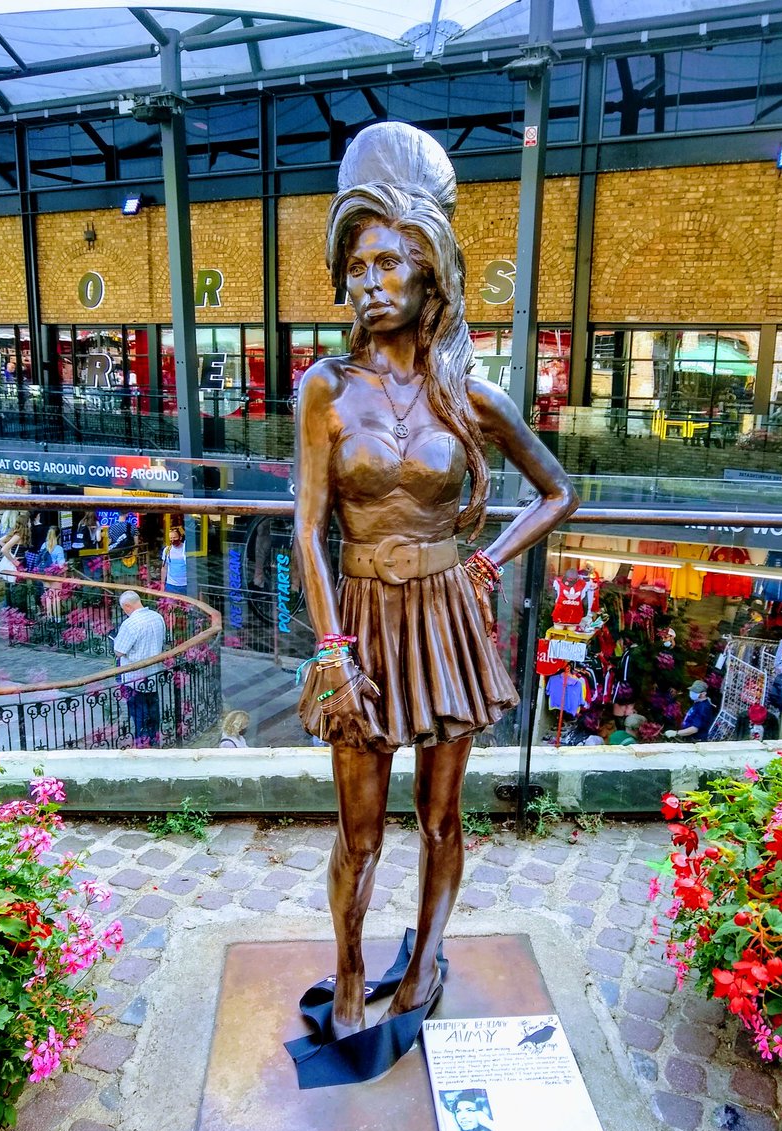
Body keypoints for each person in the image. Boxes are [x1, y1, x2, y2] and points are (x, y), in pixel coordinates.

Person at [294, 121, 577, 1046]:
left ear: (428, 272)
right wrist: (331, 648)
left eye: (383, 264)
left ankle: (424, 960)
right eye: (355, 267)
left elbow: (559, 491)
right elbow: (306, 525)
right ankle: (344, 968)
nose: (363, 285)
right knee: (361, 830)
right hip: (365, 623)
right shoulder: (325, 389)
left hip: (448, 618)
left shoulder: (470, 394)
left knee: (443, 816)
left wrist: (490, 562)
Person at [113, 590, 166, 746]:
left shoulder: (131, 624)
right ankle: (154, 739)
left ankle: (142, 744)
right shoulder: (158, 617)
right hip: (153, 673)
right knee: (153, 709)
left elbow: (119, 651)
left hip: (134, 677)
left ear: (127, 606)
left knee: (139, 713)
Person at [160, 525, 187, 595]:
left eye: (175, 537)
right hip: (171, 585)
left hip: (186, 584)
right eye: (170, 538)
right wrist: (162, 584)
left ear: (180, 537)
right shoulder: (167, 550)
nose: (172, 540)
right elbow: (164, 568)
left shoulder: (186, 549)